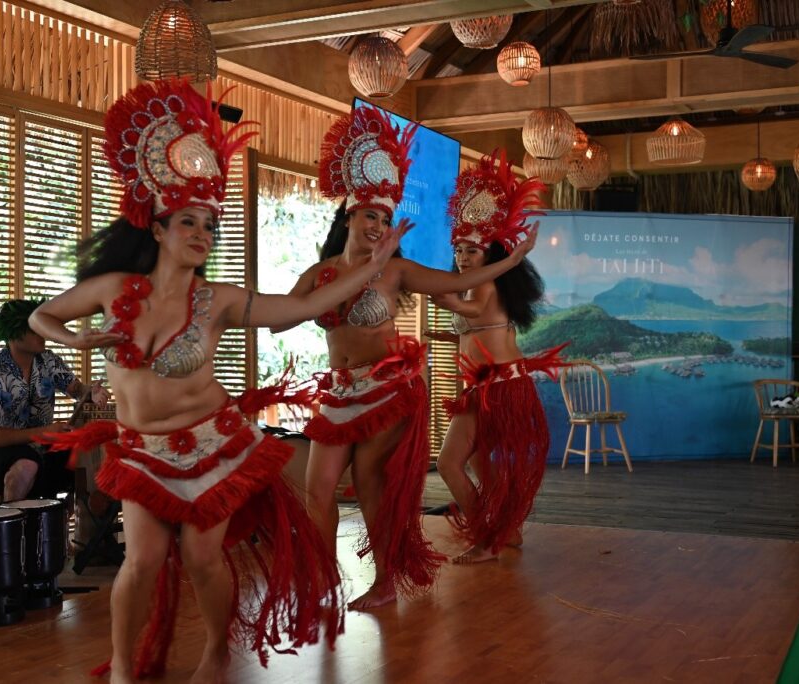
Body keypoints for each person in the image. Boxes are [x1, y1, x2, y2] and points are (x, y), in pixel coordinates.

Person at [28, 79, 406, 683]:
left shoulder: (220, 299)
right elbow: (41, 315)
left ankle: (214, 653)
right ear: (156, 226)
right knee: (142, 560)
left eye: (210, 225)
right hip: (139, 449)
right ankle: (125, 668)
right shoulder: (114, 290)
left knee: (204, 558)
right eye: (188, 222)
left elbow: (299, 309)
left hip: (209, 444)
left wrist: (377, 266)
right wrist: (75, 340)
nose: (202, 234)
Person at [279, 108, 538, 610]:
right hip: (338, 392)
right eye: (370, 216)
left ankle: (385, 580)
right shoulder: (320, 272)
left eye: (384, 217)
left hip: (387, 390)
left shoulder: (396, 270)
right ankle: (324, 578)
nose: (378, 225)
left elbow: (461, 283)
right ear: (349, 215)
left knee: (374, 488)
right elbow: (280, 318)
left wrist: (511, 258)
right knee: (318, 487)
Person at [425, 150, 567, 564]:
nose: (463, 258)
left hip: (500, 387)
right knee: (483, 469)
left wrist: (441, 296)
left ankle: (487, 539)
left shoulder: (485, 286)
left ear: (489, 255)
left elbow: (471, 313)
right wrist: (443, 333)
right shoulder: (476, 286)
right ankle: (508, 531)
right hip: (488, 385)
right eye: (459, 251)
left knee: (450, 463)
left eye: (471, 252)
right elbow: (477, 331)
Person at [0, 299, 110, 503]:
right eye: (34, 329)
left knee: (85, 454)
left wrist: (91, 392)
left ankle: (58, 522)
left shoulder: (48, 360)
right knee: (26, 463)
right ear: (13, 333)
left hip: (35, 448)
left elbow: (77, 389)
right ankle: (14, 528)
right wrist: (45, 433)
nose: (43, 333)